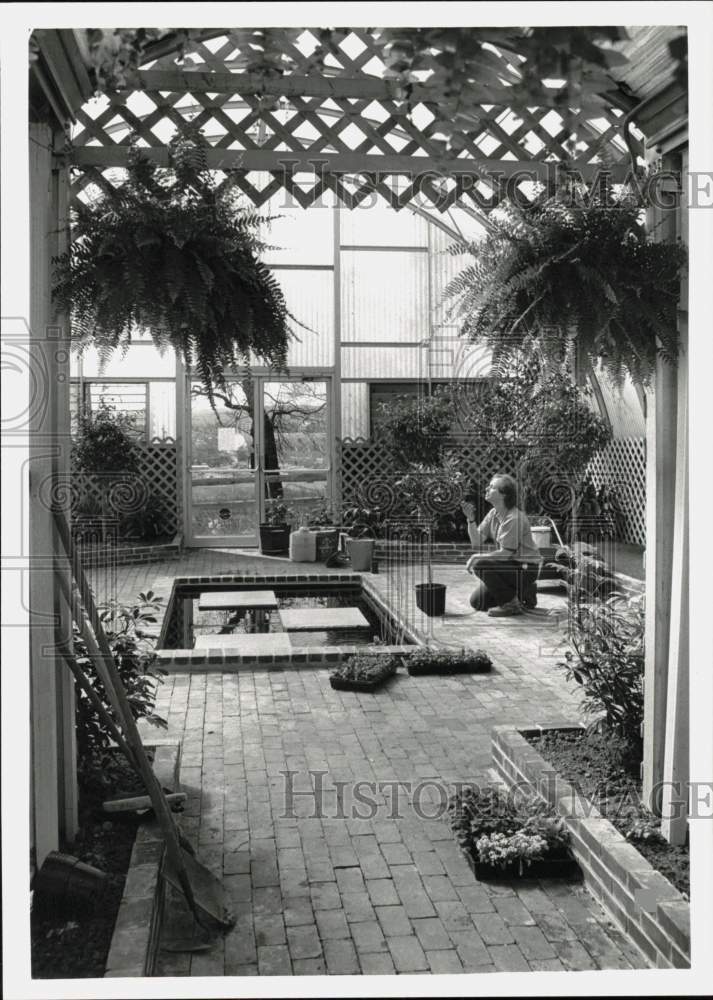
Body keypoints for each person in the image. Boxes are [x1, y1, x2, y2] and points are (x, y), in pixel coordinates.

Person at [461, 475, 541, 617]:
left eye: (491, 487)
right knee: (478, 602)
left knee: (481, 563)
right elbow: (477, 542)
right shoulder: (493, 513)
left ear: (504, 494)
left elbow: (505, 554)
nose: (486, 488)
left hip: (526, 569)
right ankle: (525, 591)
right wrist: (470, 519)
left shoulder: (514, 518)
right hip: (509, 566)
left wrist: (476, 557)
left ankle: (511, 605)